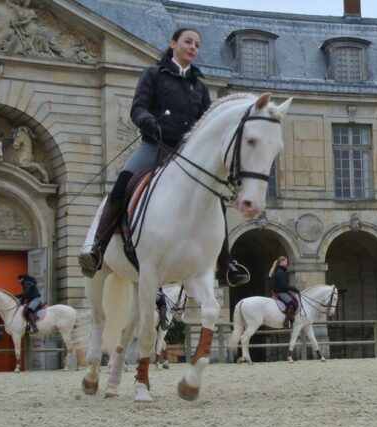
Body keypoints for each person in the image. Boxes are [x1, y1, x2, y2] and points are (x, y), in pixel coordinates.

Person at [77, 27, 249, 287]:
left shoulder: (200, 87)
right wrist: (147, 120)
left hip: (184, 154)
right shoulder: (153, 75)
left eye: (197, 45)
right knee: (123, 182)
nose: (193, 47)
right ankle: (97, 248)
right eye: (188, 42)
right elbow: (138, 107)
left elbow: (207, 122)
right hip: (154, 146)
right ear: (173, 44)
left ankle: (225, 263)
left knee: (213, 198)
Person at [269, 256, 299, 328]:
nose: (287, 263)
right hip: (280, 292)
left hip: (283, 291)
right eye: (286, 262)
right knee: (293, 304)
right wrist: (295, 289)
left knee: (295, 299)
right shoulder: (280, 272)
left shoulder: (281, 271)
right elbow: (284, 285)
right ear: (281, 262)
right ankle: (286, 321)